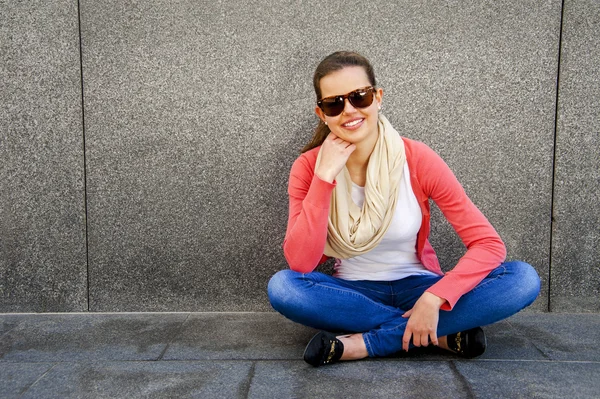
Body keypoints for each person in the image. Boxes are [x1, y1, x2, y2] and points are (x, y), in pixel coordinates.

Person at [268, 51, 541, 367]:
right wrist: (324, 177)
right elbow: (301, 261)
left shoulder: (417, 159)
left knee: (522, 279)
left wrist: (434, 298)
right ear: (322, 113)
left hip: (420, 286)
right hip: (353, 295)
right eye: (334, 103)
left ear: (378, 97)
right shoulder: (309, 168)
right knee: (284, 288)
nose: (349, 110)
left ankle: (369, 342)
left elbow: (489, 245)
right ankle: (435, 334)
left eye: (360, 97)